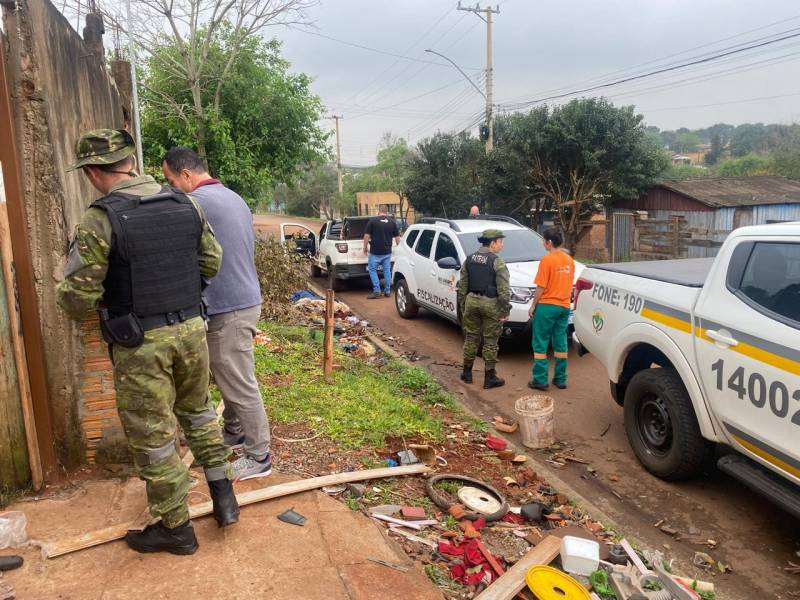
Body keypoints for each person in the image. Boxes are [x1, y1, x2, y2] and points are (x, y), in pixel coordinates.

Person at [56, 129, 238, 555]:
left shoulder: (100, 218)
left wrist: (62, 292)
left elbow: (78, 297)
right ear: (131, 163)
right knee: (198, 414)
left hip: (142, 342)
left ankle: (176, 528)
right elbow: (212, 261)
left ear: (94, 172)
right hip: (192, 327)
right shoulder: (185, 203)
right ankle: (223, 499)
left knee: (154, 437)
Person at [162, 147, 272, 481]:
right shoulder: (231, 197)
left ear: (186, 175)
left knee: (240, 383)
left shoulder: (197, 203)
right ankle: (235, 431)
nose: (170, 187)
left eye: (170, 180)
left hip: (229, 305)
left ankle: (259, 457)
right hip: (241, 298)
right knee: (227, 373)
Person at [458, 229, 510, 389]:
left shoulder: (469, 259)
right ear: (492, 243)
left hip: (471, 301)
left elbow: (462, 286)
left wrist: (463, 305)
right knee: (490, 340)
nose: (502, 245)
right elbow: (504, 290)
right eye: (500, 241)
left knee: (471, 337)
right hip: (490, 304)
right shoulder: (497, 262)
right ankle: (489, 377)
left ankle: (467, 372)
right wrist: (505, 310)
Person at [527, 227, 575, 391]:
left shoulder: (547, 260)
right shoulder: (569, 260)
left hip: (547, 306)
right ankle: (560, 379)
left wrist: (533, 305)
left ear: (548, 242)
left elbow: (541, 287)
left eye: (543, 241)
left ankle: (540, 380)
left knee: (540, 343)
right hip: (564, 307)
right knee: (560, 341)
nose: (543, 244)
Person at [363, 205, 400, 299]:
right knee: (387, 271)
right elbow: (397, 237)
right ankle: (387, 291)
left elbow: (366, 236)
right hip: (387, 252)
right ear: (386, 212)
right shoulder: (392, 222)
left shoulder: (372, 221)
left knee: (372, 270)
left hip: (375, 252)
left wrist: (365, 247)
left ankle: (377, 291)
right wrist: (399, 248)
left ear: (378, 211)